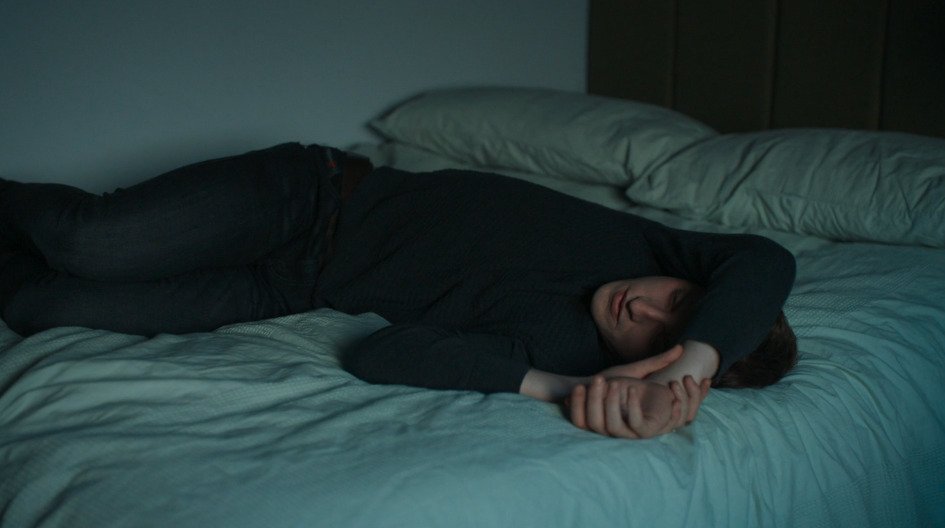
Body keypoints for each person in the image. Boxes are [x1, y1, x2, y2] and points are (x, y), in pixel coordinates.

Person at [0, 143, 797, 439]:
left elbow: (382, 353)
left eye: (654, 338)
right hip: (311, 197)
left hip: (288, 285)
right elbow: (766, 260)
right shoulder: (661, 244)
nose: (644, 307)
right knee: (86, 241)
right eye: (677, 301)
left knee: (46, 307)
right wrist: (686, 360)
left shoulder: (563, 352)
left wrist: (567, 387)